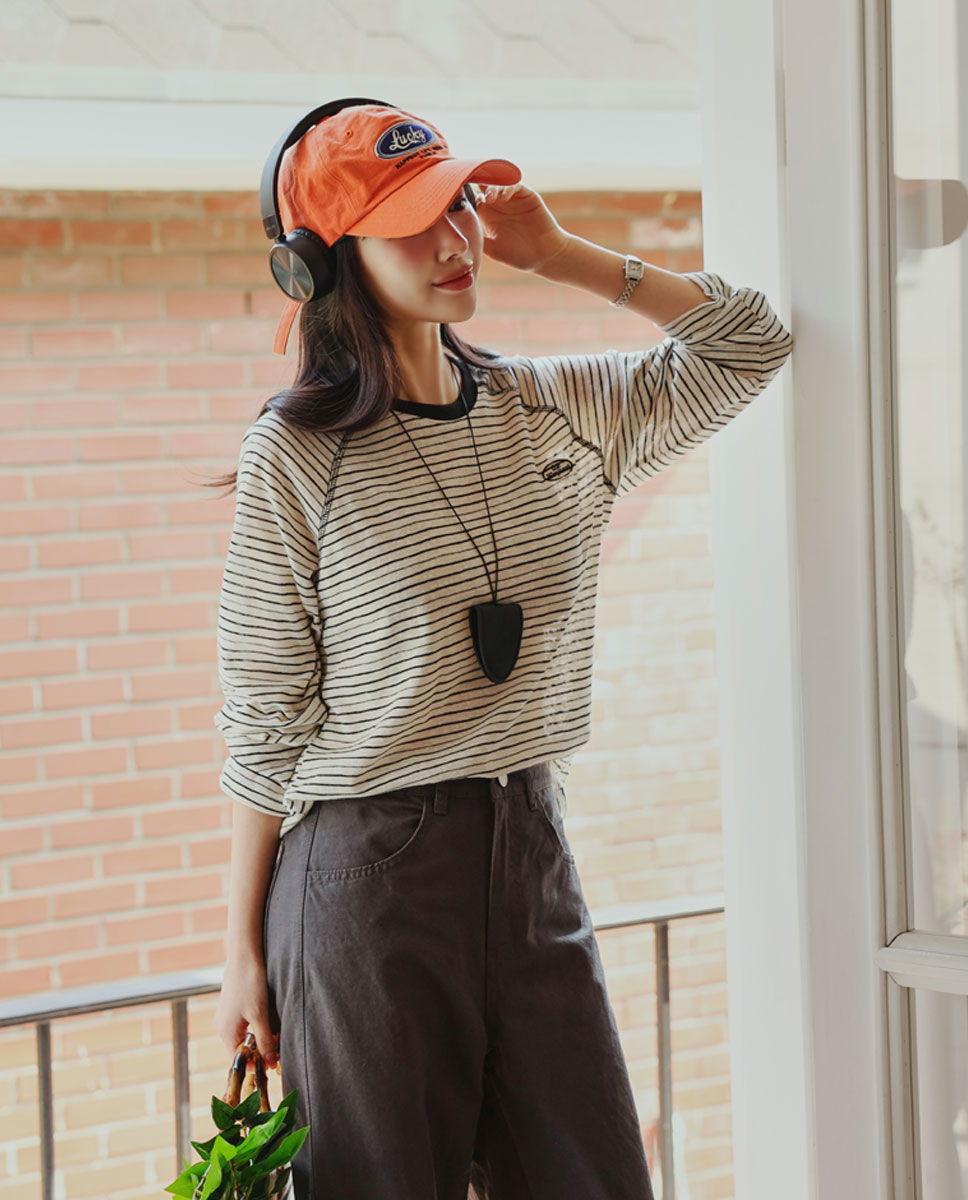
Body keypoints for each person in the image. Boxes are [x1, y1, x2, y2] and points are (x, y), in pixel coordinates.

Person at [210, 101, 793, 1200]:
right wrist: (241, 950)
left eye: (459, 208)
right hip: (364, 874)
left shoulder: (552, 406)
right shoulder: (296, 454)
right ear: (324, 262)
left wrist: (564, 255)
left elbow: (748, 344)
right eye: (413, 223)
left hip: (529, 848)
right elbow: (264, 716)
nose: (456, 242)